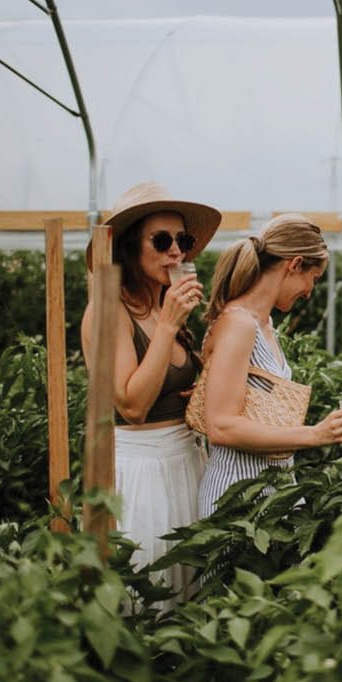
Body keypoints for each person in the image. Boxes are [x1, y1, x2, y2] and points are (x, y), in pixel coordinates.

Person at [80, 182, 219, 609]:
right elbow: (133, 406)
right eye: (161, 240)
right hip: (142, 471)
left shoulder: (167, 310)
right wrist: (167, 327)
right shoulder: (109, 311)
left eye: (184, 240)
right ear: (129, 248)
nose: (176, 252)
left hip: (187, 463)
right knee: (150, 594)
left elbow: (165, 384)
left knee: (191, 597)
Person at [197, 214, 342, 518]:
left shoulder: (264, 324)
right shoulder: (239, 323)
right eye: (312, 278)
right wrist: (315, 434)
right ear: (295, 264)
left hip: (272, 488)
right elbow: (221, 426)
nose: (310, 291)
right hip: (237, 494)